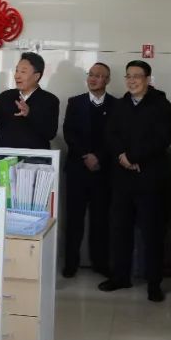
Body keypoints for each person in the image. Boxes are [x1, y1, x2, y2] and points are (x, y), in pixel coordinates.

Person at [99, 61, 171, 303]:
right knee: (119, 229)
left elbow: (161, 139)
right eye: (128, 76)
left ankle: (154, 283)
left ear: (148, 79)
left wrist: (133, 157)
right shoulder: (120, 105)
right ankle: (120, 276)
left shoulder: (161, 105)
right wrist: (122, 156)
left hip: (150, 179)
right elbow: (110, 134)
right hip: (122, 179)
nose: (131, 81)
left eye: (137, 76)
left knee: (152, 232)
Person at [61, 63, 116, 278]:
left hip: (103, 170)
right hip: (78, 169)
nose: (93, 79)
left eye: (99, 76)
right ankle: (70, 264)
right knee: (74, 219)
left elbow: (115, 136)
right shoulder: (75, 102)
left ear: (107, 80)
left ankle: (100, 263)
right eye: (91, 75)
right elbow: (69, 132)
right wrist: (86, 155)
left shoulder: (116, 105)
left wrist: (98, 157)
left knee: (101, 220)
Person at [0, 52, 60, 149]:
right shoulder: (6, 96)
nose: (17, 76)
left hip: (36, 157)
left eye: (23, 72)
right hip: (7, 157)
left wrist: (29, 113)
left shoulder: (50, 100)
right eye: (17, 71)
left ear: (36, 76)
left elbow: (50, 133)